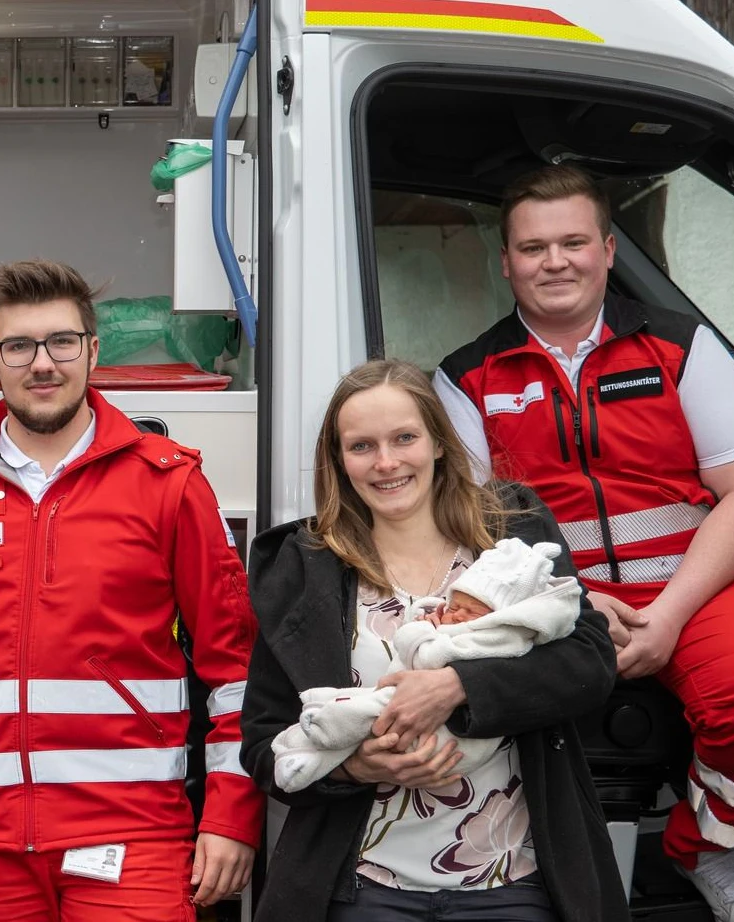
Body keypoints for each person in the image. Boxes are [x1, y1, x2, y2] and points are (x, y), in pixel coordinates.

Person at [0, 259, 264, 922]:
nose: (42, 364)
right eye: (18, 346)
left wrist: (230, 814)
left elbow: (237, 669)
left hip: (132, 833)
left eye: (61, 342)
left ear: (92, 350)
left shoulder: (168, 484)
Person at [435, 164, 734, 919]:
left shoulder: (683, 346)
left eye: (573, 242)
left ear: (609, 250)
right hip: (550, 603)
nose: (555, 261)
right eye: (533, 247)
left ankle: (708, 849)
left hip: (696, 585)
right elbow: (472, 529)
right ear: (506, 262)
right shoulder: (465, 377)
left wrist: (674, 614)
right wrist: (580, 608)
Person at [242, 358, 624, 921]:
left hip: (513, 882)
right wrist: (355, 768)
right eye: (362, 446)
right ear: (339, 461)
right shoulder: (304, 569)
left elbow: (589, 662)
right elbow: (263, 744)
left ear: (439, 443)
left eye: (404, 438)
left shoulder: (511, 536)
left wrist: (458, 686)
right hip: (361, 888)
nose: (387, 462)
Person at [271, 537, 583, 795]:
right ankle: (305, 749)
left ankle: (314, 740)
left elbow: (425, 658)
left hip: (448, 746)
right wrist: (353, 772)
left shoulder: (499, 635)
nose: (457, 616)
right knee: (371, 721)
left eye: (470, 612)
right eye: (455, 606)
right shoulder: (307, 555)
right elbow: (263, 716)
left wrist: (427, 638)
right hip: (374, 847)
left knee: (373, 711)